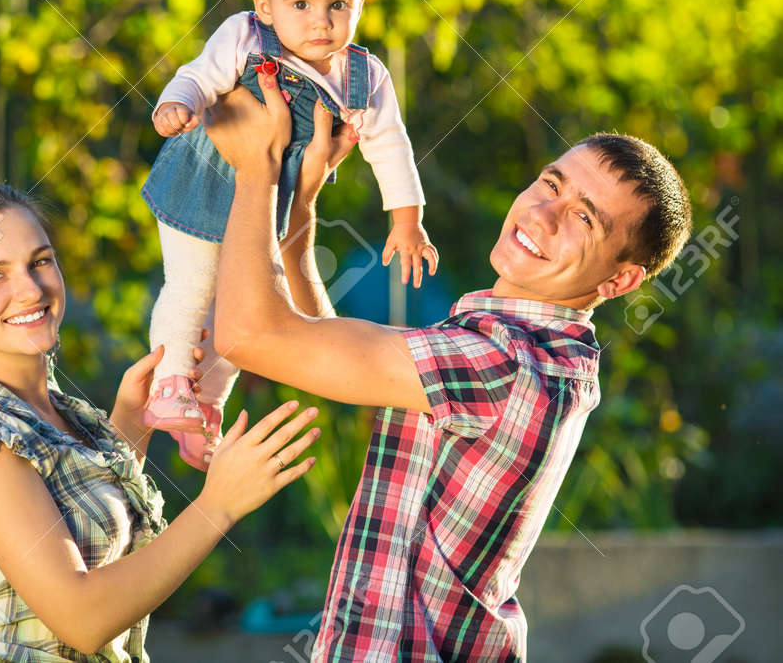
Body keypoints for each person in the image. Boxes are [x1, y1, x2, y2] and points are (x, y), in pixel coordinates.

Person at [201, 75, 692, 660]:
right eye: (550, 184)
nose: (543, 214)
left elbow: (249, 336)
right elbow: (330, 349)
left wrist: (255, 167)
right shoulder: (533, 354)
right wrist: (301, 203)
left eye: (585, 219)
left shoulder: (501, 362)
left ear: (619, 280)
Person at [0, 182, 322, 661]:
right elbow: (82, 620)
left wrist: (130, 427)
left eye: (40, 261)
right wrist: (217, 505)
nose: (31, 289)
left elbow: (80, 531)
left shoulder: (49, 410)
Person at [140, 0, 439, 471]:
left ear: (360, 2)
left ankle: (205, 406)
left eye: (337, 4)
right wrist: (176, 103)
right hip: (200, 184)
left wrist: (406, 220)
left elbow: (391, 148)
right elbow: (199, 75)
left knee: (240, 314)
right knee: (192, 286)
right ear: (264, 7)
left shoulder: (365, 77)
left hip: (266, 209)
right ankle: (170, 382)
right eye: (300, 5)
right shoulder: (243, 36)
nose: (320, 21)